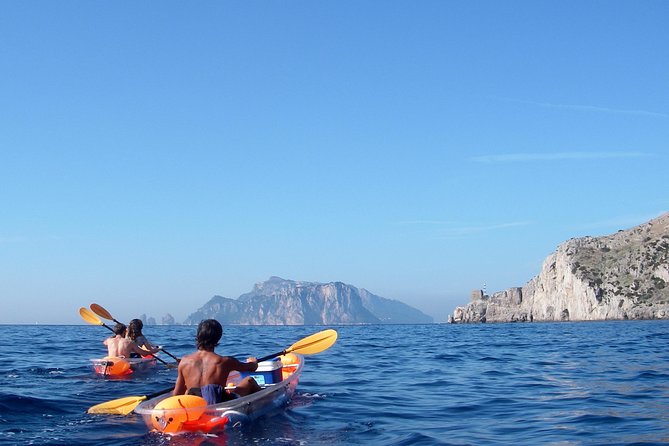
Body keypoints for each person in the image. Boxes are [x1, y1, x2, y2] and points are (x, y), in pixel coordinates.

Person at [173, 319, 261, 405]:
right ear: (218, 338)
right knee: (249, 380)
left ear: (198, 336)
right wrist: (254, 362)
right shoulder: (224, 362)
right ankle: (267, 403)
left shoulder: (184, 362)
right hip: (217, 405)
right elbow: (251, 368)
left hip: (195, 407)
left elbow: (176, 394)